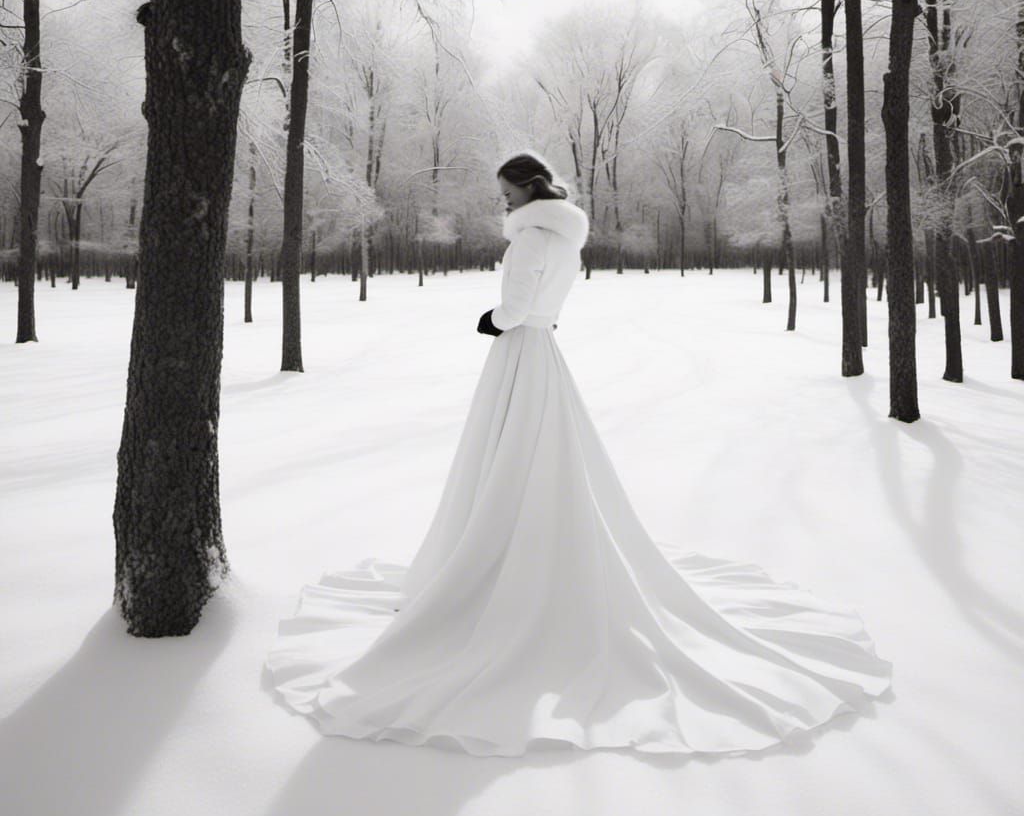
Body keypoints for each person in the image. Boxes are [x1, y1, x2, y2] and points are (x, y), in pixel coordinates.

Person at [264, 151, 892, 757]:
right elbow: (547, 305)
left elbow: (512, 309)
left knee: (506, 452)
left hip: (518, 352)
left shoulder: (528, 240)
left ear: (527, 189)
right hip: (545, 352)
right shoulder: (566, 240)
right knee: (543, 452)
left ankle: (489, 558)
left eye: (506, 190)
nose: (501, 198)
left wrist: (488, 319)